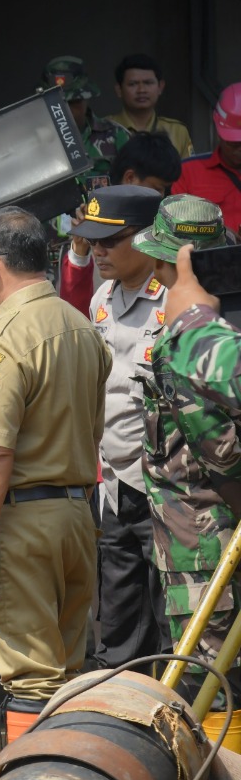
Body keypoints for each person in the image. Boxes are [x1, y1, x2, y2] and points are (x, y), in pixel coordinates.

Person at [0, 207, 112, 741]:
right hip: (75, 515)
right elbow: (93, 431)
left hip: (21, 523)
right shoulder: (80, 325)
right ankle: (69, 773)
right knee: (66, 669)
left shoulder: (4, 339)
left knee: (31, 675)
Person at [135, 195, 236, 701]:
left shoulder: (192, 336)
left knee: (209, 687)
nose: (154, 273)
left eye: (161, 262)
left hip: (206, 550)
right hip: (200, 547)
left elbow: (222, 451)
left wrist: (189, 325)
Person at [68, 185, 169, 672]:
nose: (99, 252)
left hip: (167, 485)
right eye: (92, 242)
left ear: (147, 238)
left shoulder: (175, 297)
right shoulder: (102, 299)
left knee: (173, 617)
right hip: (113, 483)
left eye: (110, 241)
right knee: (119, 618)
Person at [57, 132, 183, 313]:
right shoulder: (99, 294)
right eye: (95, 239)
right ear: (130, 178)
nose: (99, 250)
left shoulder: (167, 238)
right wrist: (79, 253)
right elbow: (74, 318)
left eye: (110, 239)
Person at [43, 56, 130, 193]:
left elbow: (135, 188)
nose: (64, 110)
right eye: (56, 104)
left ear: (86, 99)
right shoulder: (30, 141)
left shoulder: (117, 136)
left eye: (73, 102)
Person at [171, 83, 241, 234]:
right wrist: (218, 233)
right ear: (218, 132)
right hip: (209, 249)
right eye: (233, 143)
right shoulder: (187, 172)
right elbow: (175, 226)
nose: (239, 150)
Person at [107, 54, 194, 158]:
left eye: (148, 83)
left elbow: (189, 168)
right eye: (133, 84)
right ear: (119, 90)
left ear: (160, 87)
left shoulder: (177, 131)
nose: (141, 90)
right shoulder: (101, 131)